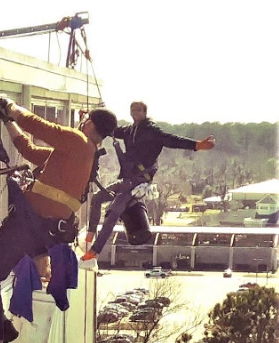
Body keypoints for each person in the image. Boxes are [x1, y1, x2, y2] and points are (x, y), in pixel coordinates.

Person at [0, 98, 117, 343]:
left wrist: (11, 108)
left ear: (89, 122)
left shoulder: (79, 142)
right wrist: (8, 122)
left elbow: (40, 127)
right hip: (28, 226)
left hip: (30, 228)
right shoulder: (76, 154)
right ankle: (1, 327)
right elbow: (30, 151)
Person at [81, 101, 215, 266]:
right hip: (127, 180)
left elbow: (172, 140)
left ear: (145, 112)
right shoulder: (130, 131)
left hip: (138, 182)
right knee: (97, 198)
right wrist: (92, 118)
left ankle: (94, 251)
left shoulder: (152, 131)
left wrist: (196, 145)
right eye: (133, 110)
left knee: (113, 211)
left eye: (138, 110)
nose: (135, 113)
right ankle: (90, 234)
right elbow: (110, 130)